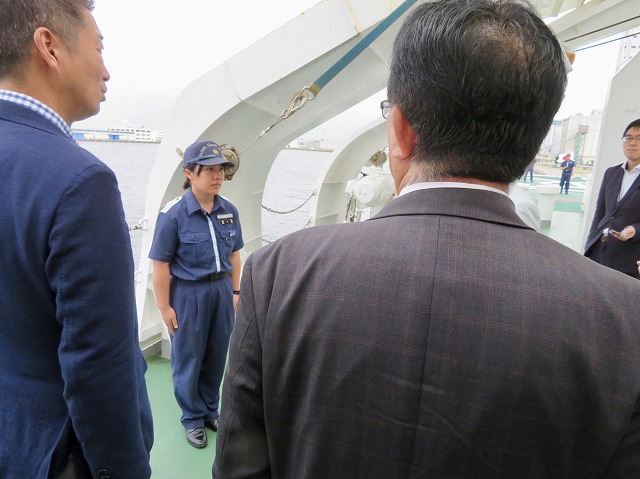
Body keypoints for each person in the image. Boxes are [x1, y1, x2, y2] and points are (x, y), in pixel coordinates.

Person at [213, 1, 640, 477]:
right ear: (533, 140)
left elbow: (240, 465)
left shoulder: (280, 272)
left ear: (400, 129)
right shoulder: (625, 317)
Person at [0, 0, 153, 477]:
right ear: (49, 46)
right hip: (51, 450)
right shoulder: (80, 181)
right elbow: (99, 367)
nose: (106, 71)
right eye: (99, 49)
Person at [149, 140, 243, 449]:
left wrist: (235, 291)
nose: (217, 176)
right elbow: (160, 265)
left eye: (221, 170)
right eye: (209, 170)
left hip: (221, 292)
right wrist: (164, 307)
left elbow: (234, 255)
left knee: (216, 355)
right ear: (190, 173)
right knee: (188, 358)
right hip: (188, 294)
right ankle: (192, 418)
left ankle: (210, 411)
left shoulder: (228, 210)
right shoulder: (173, 214)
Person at [585, 119, 640, 279]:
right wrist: (589, 244)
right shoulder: (611, 173)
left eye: (639, 138)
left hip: (628, 259)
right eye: (628, 138)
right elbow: (600, 213)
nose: (632, 142)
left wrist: (634, 230)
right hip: (598, 251)